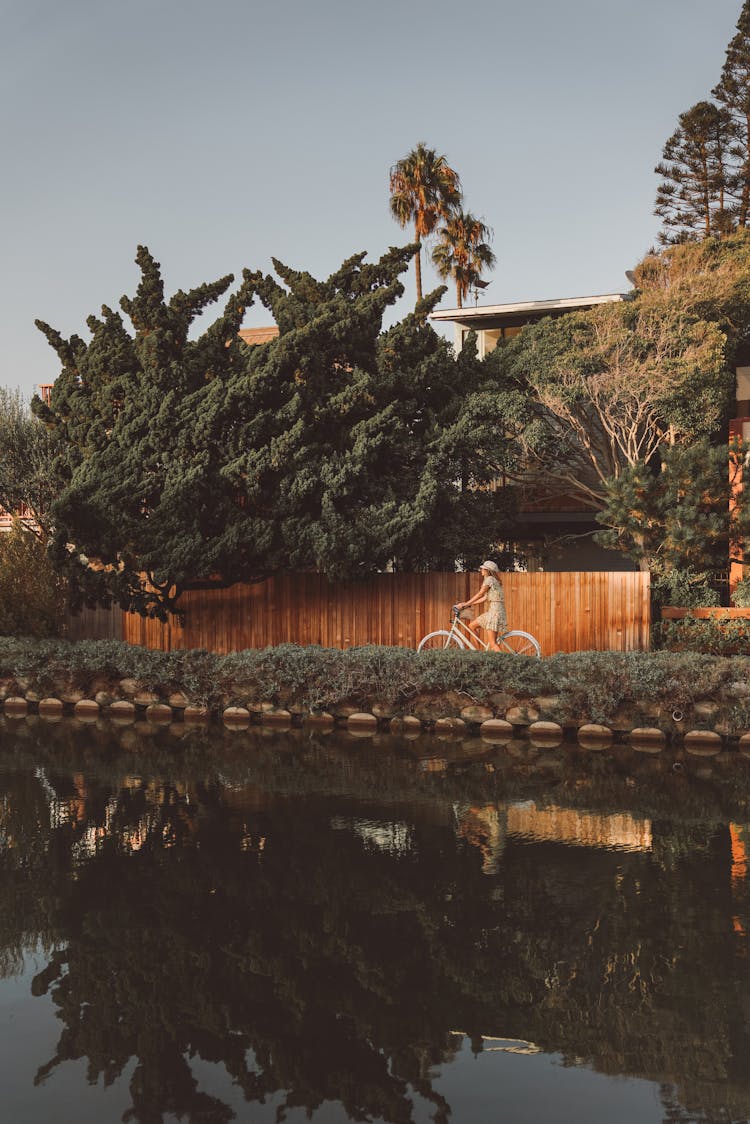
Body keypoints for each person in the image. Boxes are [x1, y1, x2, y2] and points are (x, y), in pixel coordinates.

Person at [455, 561, 506, 652]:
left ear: (488, 570)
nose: (481, 570)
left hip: (495, 612)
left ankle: (506, 664)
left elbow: (480, 594)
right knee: (472, 626)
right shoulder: (493, 580)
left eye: (483, 568)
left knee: (493, 644)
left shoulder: (489, 579)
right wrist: (468, 604)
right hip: (495, 610)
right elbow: (484, 598)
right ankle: (478, 651)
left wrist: (465, 604)